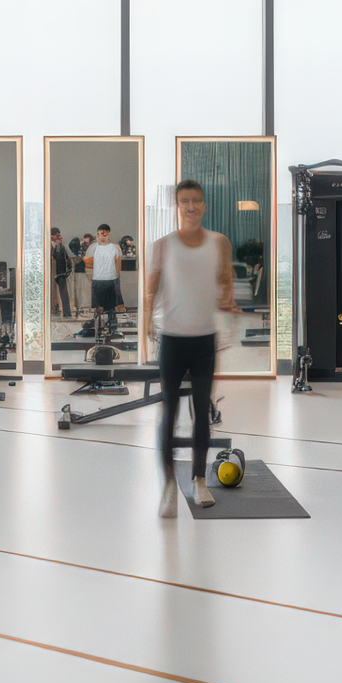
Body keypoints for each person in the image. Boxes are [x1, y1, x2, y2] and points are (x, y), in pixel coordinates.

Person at [144, 179, 237, 518]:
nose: (191, 206)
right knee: (169, 413)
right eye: (185, 201)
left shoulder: (219, 242)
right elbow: (151, 287)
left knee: (202, 412)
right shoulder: (164, 245)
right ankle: (168, 485)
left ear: (204, 205)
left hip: (203, 340)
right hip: (172, 339)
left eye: (197, 201)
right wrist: (146, 322)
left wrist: (228, 299)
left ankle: (199, 479)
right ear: (177, 205)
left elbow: (225, 279)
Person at [86, 224, 124, 338]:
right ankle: (96, 327)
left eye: (106, 233)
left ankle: (112, 326)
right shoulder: (92, 248)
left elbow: (118, 264)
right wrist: (91, 278)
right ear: (98, 233)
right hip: (97, 280)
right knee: (98, 307)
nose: (103, 236)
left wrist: (116, 279)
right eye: (101, 233)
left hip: (111, 279)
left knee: (111, 307)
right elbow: (88, 265)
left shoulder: (115, 247)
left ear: (109, 233)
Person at [49, 227, 71, 325]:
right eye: (56, 235)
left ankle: (67, 312)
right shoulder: (49, 246)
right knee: (51, 293)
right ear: (52, 236)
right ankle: (52, 310)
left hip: (60, 272)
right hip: (51, 272)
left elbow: (67, 257)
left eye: (59, 235)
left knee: (64, 293)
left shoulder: (62, 247)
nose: (58, 237)